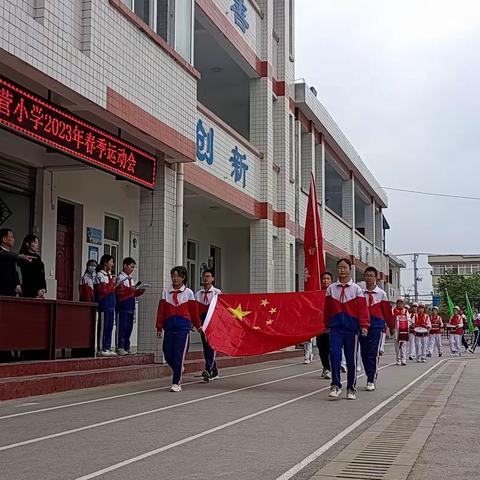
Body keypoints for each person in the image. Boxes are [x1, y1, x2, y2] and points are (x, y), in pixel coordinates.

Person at [324, 258, 370, 400]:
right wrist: (326, 324)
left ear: (350, 269)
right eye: (339, 268)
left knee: (351, 360)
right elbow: (327, 309)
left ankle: (351, 388)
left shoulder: (356, 289)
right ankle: (336, 385)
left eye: (344, 268)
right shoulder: (331, 288)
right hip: (336, 328)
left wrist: (364, 325)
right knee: (335, 355)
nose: (342, 270)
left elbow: (363, 310)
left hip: (352, 329)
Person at [156, 266, 201, 392]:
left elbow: (194, 311)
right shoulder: (166, 292)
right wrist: (159, 326)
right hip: (169, 326)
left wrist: (198, 325)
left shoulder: (189, 293)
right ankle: (178, 367)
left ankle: (176, 382)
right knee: (167, 352)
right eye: (173, 276)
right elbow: (161, 311)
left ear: (183, 277)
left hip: (183, 326)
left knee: (179, 354)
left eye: (178, 276)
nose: (175, 279)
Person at [360, 266, 394, 391]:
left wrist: (391, 326)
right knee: (363, 353)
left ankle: (371, 378)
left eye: (371, 275)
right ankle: (369, 373)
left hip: (376, 326)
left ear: (376, 278)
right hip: (363, 326)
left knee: (372, 353)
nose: (369, 278)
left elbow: (387, 312)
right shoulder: (360, 292)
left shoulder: (382, 294)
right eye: (367, 275)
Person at [115, 257, 145, 355]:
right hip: (123, 305)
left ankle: (127, 346)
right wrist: (132, 290)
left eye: (133, 267)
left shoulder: (131, 279)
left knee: (129, 327)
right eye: (131, 267)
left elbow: (132, 293)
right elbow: (121, 292)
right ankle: (120, 346)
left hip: (131, 306)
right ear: (125, 266)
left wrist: (139, 292)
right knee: (122, 327)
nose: (132, 269)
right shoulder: (120, 278)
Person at [195, 269, 222, 382]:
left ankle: (208, 369)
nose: (206, 278)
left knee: (211, 346)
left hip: (213, 323)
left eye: (209, 276)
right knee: (206, 346)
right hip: (203, 324)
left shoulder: (217, 293)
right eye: (204, 276)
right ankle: (214, 370)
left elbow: (220, 309)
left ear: (213, 279)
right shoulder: (198, 294)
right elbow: (195, 310)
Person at [94, 254, 117, 357]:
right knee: (103, 326)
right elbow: (103, 290)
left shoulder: (109, 275)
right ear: (105, 263)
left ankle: (107, 347)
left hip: (111, 303)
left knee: (110, 327)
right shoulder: (100, 275)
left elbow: (110, 289)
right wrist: (112, 284)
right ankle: (101, 348)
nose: (112, 264)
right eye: (111, 262)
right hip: (104, 303)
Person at [18, 234, 46, 298]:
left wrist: (43, 288)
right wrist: (36, 290)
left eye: (38, 243)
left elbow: (42, 273)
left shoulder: (37, 257)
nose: (37, 245)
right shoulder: (24, 257)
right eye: (35, 243)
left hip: (40, 290)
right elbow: (28, 275)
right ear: (28, 244)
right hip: (29, 289)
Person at [316, 271, 333, 379]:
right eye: (324, 279)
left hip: (332, 326)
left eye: (328, 278)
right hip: (320, 326)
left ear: (331, 281)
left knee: (329, 348)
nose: (325, 280)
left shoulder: (334, 293)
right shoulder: (317, 294)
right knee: (321, 347)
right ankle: (325, 367)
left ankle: (329, 368)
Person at [0, 228, 24, 296]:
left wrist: (18, 284)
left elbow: (13, 272)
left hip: (11, 292)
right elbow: (4, 273)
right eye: (12, 237)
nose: (14, 239)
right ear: (4, 239)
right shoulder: (3, 253)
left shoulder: (10, 254)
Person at [392, 298, 409, 365]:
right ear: (396, 304)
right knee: (397, 346)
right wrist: (392, 328)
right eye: (398, 303)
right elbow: (391, 319)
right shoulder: (393, 310)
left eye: (401, 303)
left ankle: (404, 359)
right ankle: (398, 359)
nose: (400, 304)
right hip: (396, 330)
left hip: (404, 330)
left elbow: (409, 320)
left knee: (403, 345)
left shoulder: (405, 311)